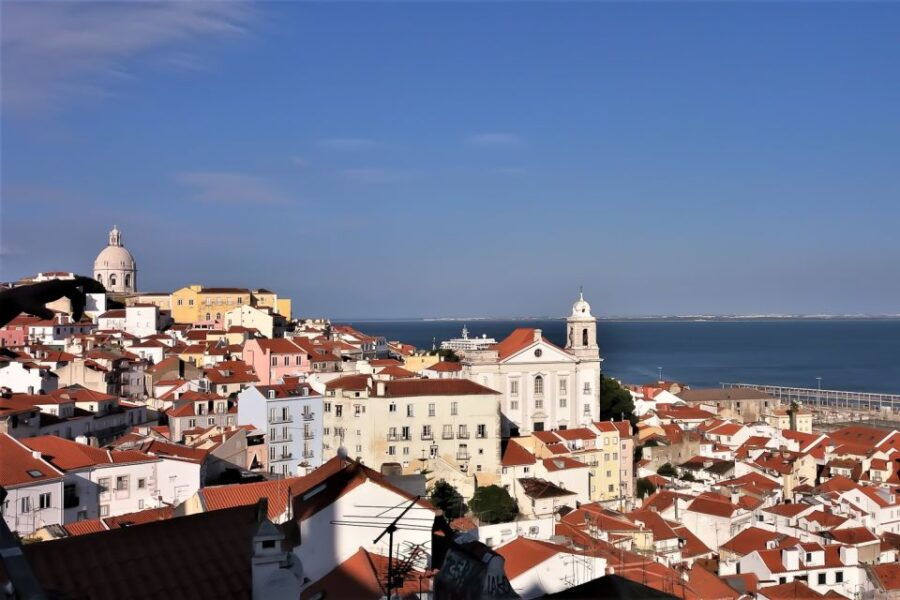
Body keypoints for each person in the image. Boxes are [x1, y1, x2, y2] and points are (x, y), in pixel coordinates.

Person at [0, 276, 105, 328]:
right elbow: (28, 305)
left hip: (51, 289)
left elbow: (28, 305)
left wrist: (46, 314)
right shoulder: (20, 298)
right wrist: (46, 314)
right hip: (50, 289)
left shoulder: (18, 298)